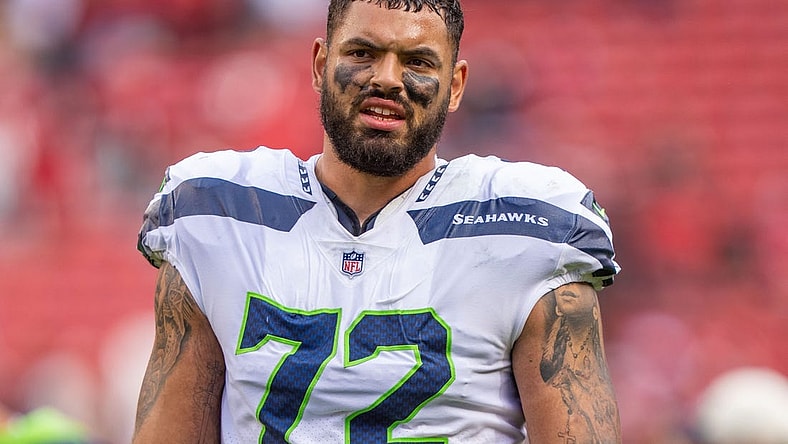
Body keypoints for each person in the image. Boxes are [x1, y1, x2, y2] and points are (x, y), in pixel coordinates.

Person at [133, 0, 622, 442]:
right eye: (363, 53)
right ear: (321, 64)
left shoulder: (528, 226)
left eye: (418, 62)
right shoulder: (216, 212)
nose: (387, 78)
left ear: (454, 86)